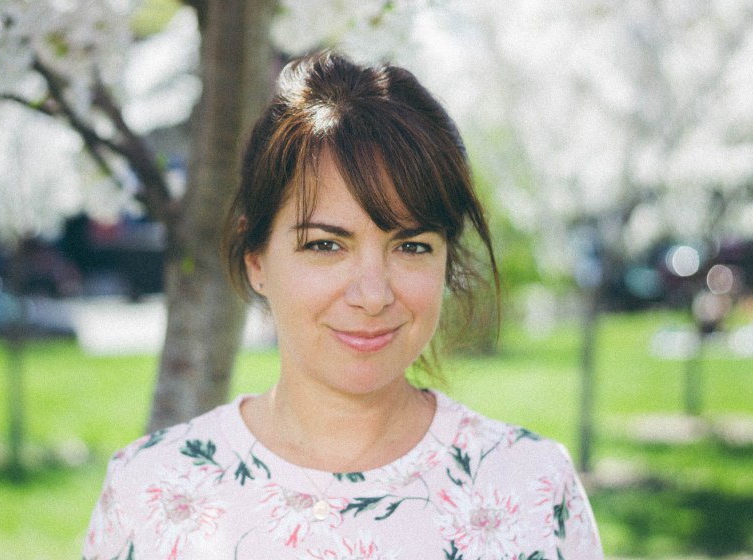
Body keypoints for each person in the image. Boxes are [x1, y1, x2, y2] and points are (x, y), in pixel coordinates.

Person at [83, 52, 604, 559]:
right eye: (325, 245)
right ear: (257, 259)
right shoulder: (150, 489)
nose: (373, 295)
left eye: (412, 246)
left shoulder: (531, 487)